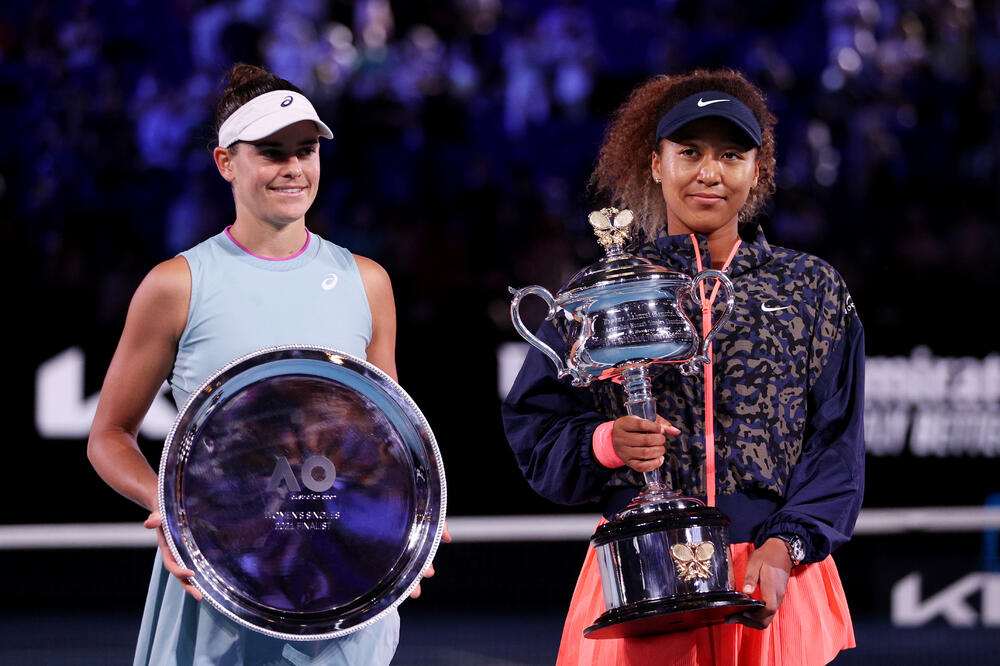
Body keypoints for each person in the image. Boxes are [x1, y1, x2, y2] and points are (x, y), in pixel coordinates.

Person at [502, 68, 863, 665]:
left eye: (731, 154)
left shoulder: (812, 289)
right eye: (689, 152)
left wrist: (786, 545)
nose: (708, 173)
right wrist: (605, 443)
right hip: (641, 575)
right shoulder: (606, 292)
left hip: (773, 576)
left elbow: (837, 444)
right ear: (655, 164)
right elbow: (535, 432)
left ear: (758, 169)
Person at [88, 63, 441, 665]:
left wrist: (409, 524)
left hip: (340, 587)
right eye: (271, 152)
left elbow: (384, 447)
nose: (294, 169)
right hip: (219, 582)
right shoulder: (177, 285)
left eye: (305, 150)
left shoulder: (366, 282)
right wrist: (172, 512)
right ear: (226, 162)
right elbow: (109, 436)